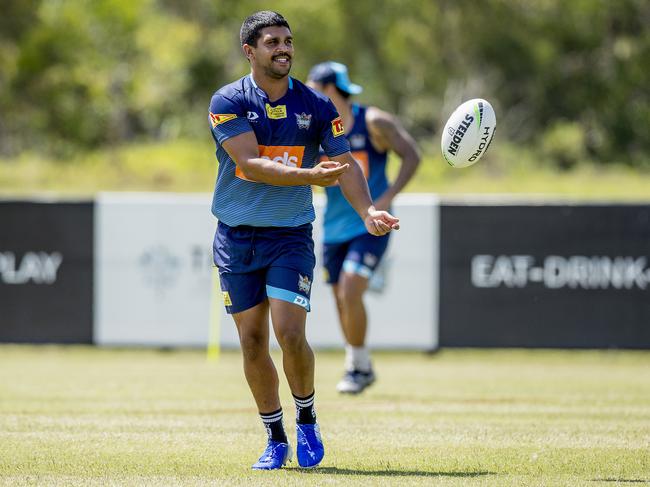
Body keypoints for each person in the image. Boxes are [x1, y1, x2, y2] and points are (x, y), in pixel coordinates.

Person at [208, 12, 399, 470]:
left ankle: (307, 419)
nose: (284, 49)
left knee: (290, 334)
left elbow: (345, 163)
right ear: (250, 51)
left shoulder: (316, 105)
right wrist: (309, 176)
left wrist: (368, 211)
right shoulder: (227, 100)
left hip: (290, 236)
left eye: (288, 41)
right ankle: (275, 437)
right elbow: (250, 164)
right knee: (252, 341)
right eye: (272, 41)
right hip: (236, 238)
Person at [307, 62, 421, 394]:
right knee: (342, 299)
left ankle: (354, 367)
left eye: (312, 87)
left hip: (371, 225)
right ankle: (361, 365)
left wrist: (386, 196)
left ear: (328, 89)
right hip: (333, 229)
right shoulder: (316, 129)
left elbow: (412, 155)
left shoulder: (374, 121)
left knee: (350, 288)